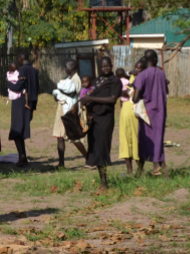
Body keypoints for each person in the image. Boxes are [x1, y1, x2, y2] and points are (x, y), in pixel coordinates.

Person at [80, 57, 122, 187]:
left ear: (111, 66)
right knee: (95, 148)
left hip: (105, 118)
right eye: (103, 66)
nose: (105, 68)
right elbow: (91, 94)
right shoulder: (98, 80)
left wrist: (91, 98)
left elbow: (112, 99)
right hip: (94, 118)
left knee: (102, 148)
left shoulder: (115, 81)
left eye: (107, 66)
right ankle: (102, 180)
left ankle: (104, 183)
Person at [131, 50, 168, 177]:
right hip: (160, 112)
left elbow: (135, 98)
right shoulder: (162, 74)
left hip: (146, 114)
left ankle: (141, 170)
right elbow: (166, 90)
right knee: (158, 139)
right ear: (155, 60)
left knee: (144, 140)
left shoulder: (141, 76)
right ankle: (162, 170)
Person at [51, 60, 87, 167]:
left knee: (73, 137)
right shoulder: (68, 79)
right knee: (60, 136)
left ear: (71, 67)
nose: (65, 68)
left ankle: (88, 158)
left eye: (66, 66)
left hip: (70, 111)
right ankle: (61, 163)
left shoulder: (76, 79)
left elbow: (72, 93)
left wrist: (58, 89)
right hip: (62, 109)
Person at [7, 53, 39, 167]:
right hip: (30, 104)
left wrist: (9, 83)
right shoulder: (35, 71)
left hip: (19, 102)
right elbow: (36, 90)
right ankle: (23, 156)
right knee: (22, 129)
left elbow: (18, 87)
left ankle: (21, 155)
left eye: (18, 60)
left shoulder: (21, 70)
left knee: (16, 130)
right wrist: (33, 107)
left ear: (20, 59)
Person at [119, 59, 144, 175]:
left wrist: (125, 91)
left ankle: (140, 170)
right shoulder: (133, 77)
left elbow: (131, 93)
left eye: (140, 68)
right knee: (125, 139)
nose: (136, 70)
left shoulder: (143, 79)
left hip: (136, 111)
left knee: (135, 139)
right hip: (125, 110)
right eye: (136, 67)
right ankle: (129, 171)